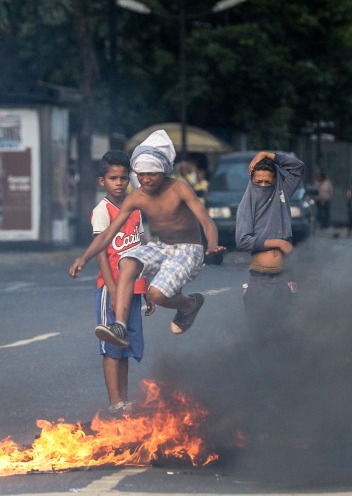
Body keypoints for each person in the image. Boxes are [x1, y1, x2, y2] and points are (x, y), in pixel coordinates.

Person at [68, 129, 226, 348]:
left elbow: (206, 221)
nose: (145, 179)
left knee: (157, 294)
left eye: (151, 173)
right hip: (162, 247)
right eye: (141, 174)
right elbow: (107, 234)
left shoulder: (179, 188)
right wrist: (84, 258)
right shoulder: (136, 196)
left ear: (164, 171)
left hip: (189, 249)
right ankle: (120, 327)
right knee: (127, 261)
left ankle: (190, 304)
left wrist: (213, 244)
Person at [69, 151, 153, 415]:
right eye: (113, 178)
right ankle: (115, 401)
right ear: (101, 181)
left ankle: (125, 400)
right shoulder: (102, 211)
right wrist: (114, 289)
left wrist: (147, 286)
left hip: (135, 287)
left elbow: (143, 248)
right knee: (111, 346)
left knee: (124, 344)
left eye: (123, 178)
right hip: (112, 288)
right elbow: (102, 253)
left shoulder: (135, 208)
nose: (119, 183)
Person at [235, 151, 304, 343]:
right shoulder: (247, 204)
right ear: (252, 180)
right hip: (259, 280)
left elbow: (298, 167)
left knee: (285, 336)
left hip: (284, 278)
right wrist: (278, 242)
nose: (264, 186)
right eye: (259, 182)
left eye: (268, 182)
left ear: (276, 181)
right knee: (259, 337)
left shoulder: (282, 194)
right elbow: (242, 240)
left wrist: (267, 154)